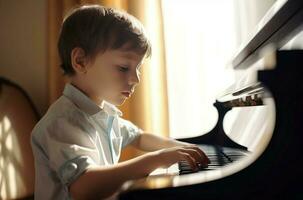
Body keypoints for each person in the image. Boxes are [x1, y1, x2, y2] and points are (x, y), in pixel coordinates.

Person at [31, 4, 210, 200]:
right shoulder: (63, 122)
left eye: (138, 68)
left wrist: (180, 148)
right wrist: (158, 159)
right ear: (80, 61)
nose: (136, 79)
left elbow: (139, 137)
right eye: (124, 67)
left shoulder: (104, 112)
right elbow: (84, 187)